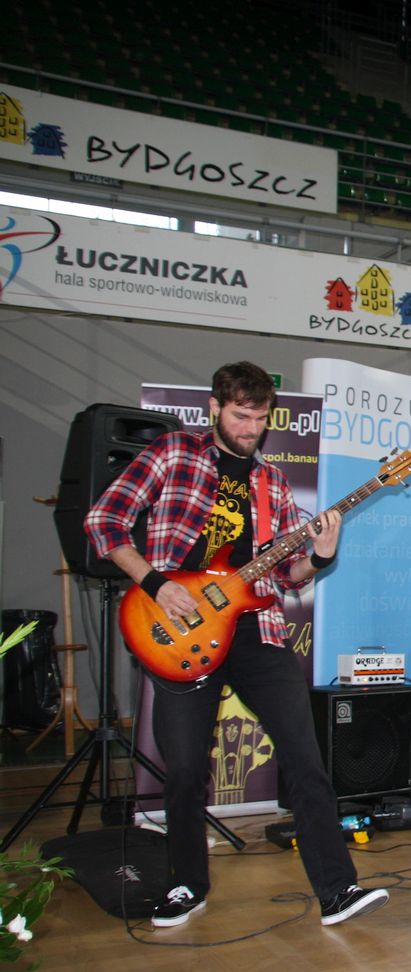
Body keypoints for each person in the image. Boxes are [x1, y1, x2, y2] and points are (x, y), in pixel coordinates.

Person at [84, 362, 388, 929]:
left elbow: (290, 575)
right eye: (241, 416)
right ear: (215, 409)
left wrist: (322, 554)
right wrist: (155, 583)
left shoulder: (272, 482)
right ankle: (186, 884)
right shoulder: (174, 454)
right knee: (184, 770)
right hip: (178, 626)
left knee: (305, 757)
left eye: (260, 418)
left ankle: (337, 890)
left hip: (257, 632)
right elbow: (104, 521)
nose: (251, 428)